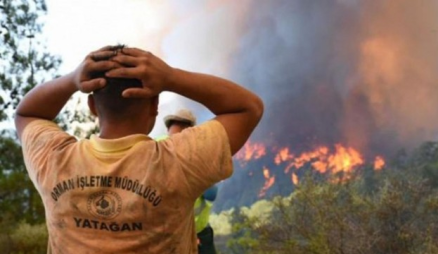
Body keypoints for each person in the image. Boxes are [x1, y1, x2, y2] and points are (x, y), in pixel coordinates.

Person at [14, 45, 263, 253]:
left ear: (92, 105)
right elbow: (248, 107)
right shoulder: (179, 161)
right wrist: (171, 77)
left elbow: (27, 113)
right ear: (155, 105)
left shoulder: (54, 159)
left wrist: (72, 80)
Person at [160, 109, 219, 253]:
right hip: (171, 235)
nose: (177, 142)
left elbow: (211, 192)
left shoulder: (199, 155)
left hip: (197, 232)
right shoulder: (156, 148)